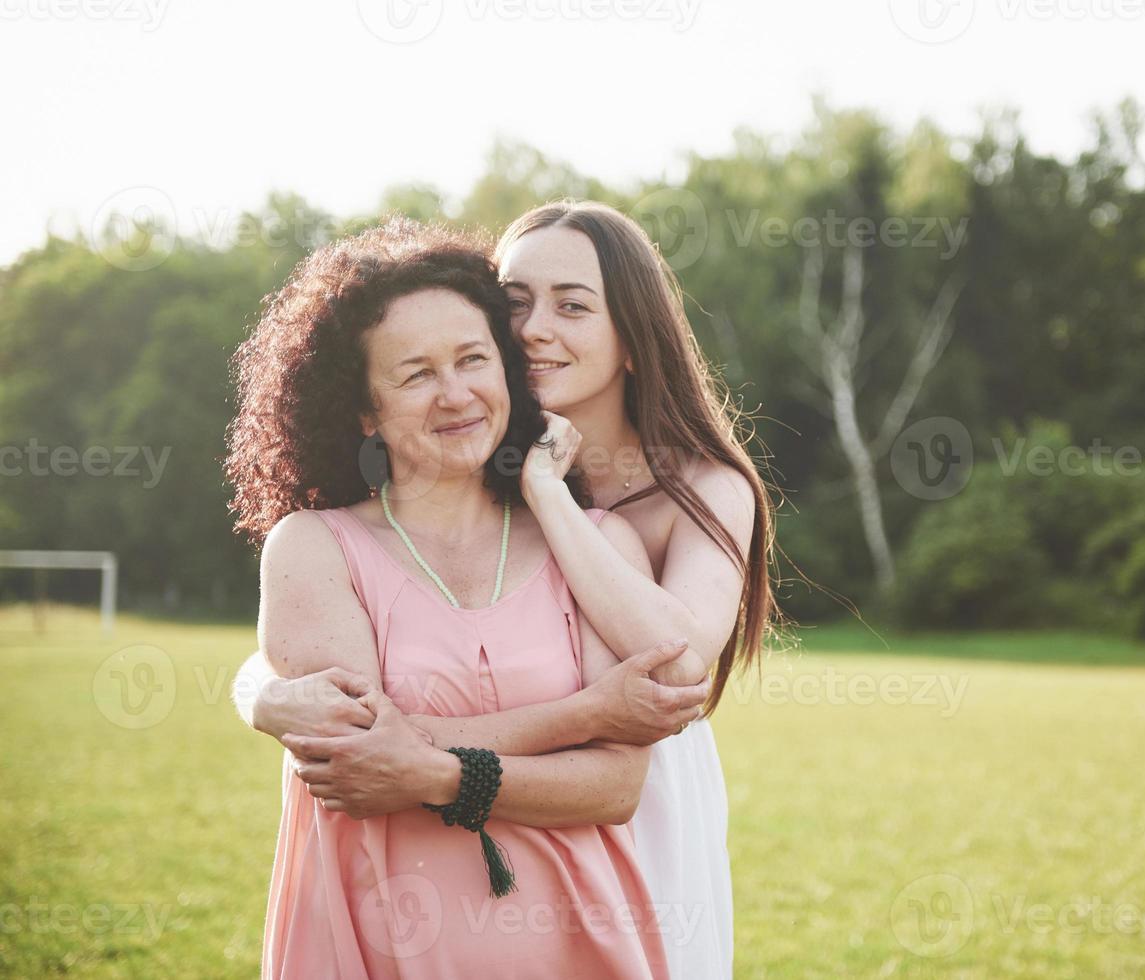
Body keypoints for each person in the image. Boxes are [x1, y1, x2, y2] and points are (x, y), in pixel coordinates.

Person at [234, 200, 779, 979]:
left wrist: (551, 496)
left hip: (642, 778)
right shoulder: (467, 461)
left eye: (572, 306)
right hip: (513, 792)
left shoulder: (692, 485)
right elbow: (339, 628)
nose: (532, 329)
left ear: (634, 335)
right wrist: (259, 691)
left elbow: (677, 661)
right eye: (515, 302)